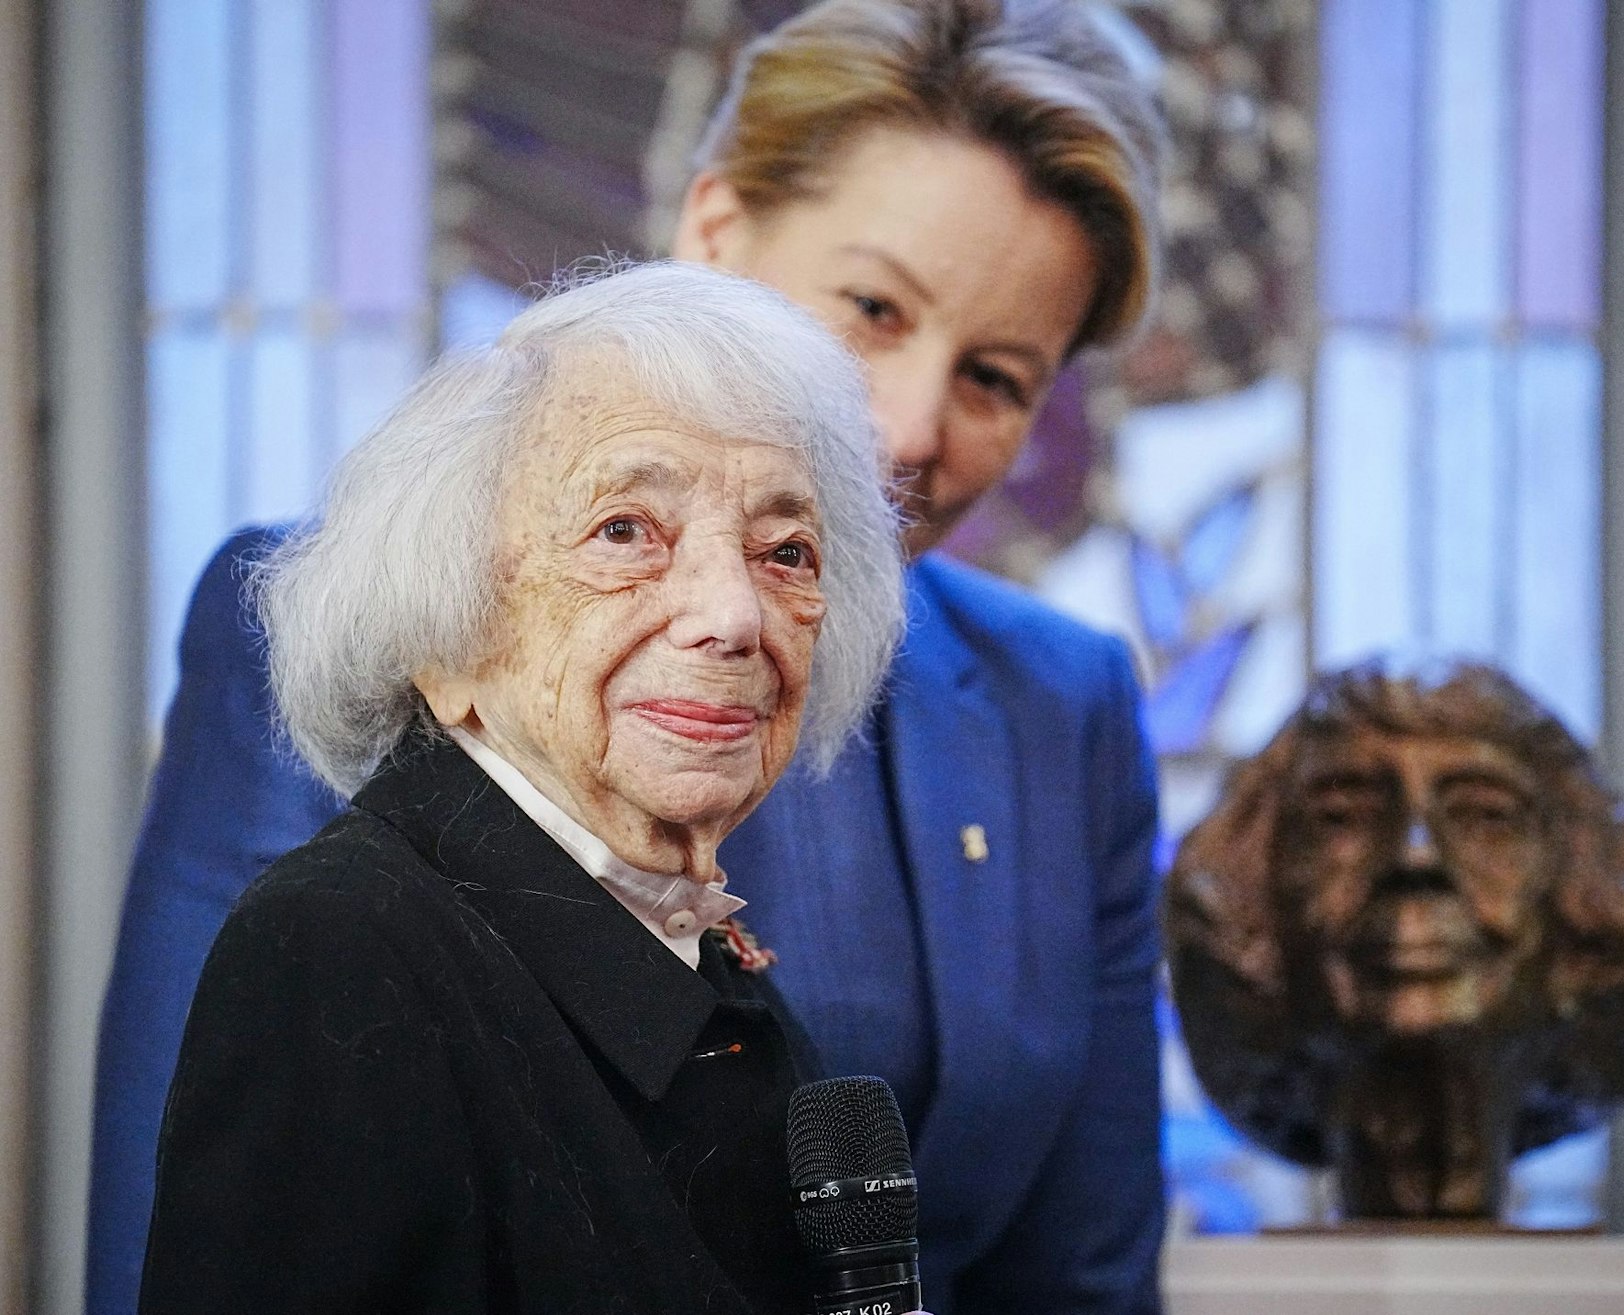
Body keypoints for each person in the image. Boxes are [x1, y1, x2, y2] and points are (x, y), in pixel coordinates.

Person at [92, 2, 1168, 1311]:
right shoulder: (372, 612)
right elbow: (203, 1214)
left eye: (997, 375)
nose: (907, 426)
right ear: (715, 231)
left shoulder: (1067, 703)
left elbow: (1086, 1272)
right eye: (873, 308)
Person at [139, 261, 905, 1313]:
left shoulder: (689, 942)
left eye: (784, 551)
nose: (733, 614)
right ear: (445, 634)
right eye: (625, 531)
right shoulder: (342, 948)